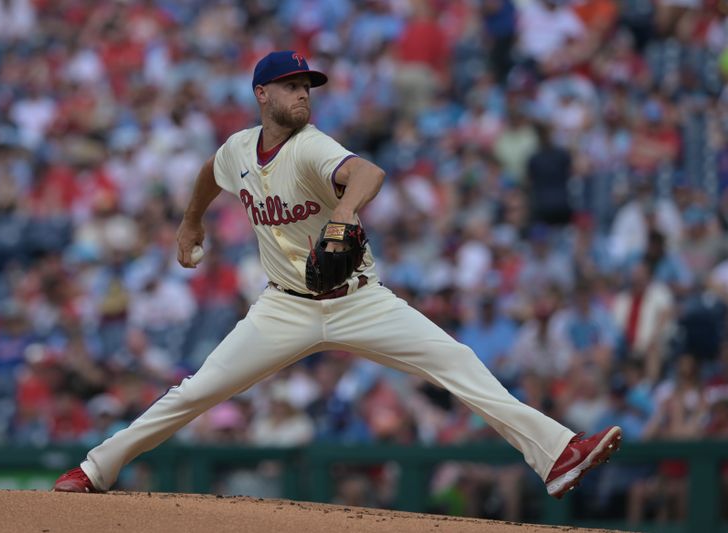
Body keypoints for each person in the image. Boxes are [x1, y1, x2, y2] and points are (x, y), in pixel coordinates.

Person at [53, 51, 621, 499]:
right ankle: (95, 468)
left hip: (357, 300)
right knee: (196, 392)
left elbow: (367, 172)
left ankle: (558, 455)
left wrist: (346, 212)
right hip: (284, 308)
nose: (303, 93)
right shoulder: (239, 150)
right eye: (292, 85)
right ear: (262, 94)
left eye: (308, 85)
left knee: (457, 362)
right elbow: (210, 171)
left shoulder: (310, 147)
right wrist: (189, 222)